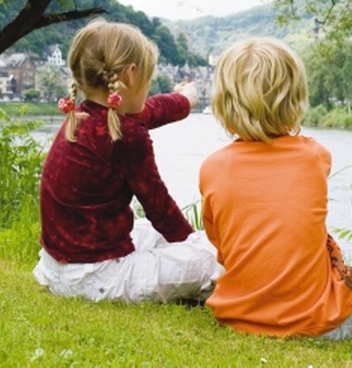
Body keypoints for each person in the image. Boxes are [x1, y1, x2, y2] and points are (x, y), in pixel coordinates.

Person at [199, 36, 352, 340]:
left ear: (224, 104)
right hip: (313, 321)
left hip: (239, 317)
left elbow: (222, 245)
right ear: (296, 100)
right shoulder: (314, 156)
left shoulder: (212, 167)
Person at [33, 19, 222, 303]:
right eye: (148, 80)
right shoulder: (127, 135)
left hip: (59, 267)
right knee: (210, 257)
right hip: (97, 277)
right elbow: (159, 207)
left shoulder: (83, 115)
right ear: (132, 74)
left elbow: (148, 112)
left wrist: (183, 100)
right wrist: (195, 246)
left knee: (146, 231)